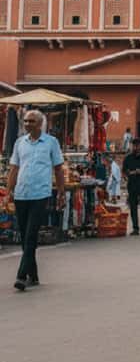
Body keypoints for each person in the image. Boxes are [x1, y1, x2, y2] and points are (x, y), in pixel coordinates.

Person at [7, 110, 65, 291]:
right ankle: (34, 275)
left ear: (40, 124)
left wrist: (61, 192)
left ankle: (21, 276)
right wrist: (8, 192)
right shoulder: (19, 143)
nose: (27, 124)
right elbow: (14, 168)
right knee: (25, 236)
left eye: (31, 121)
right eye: (25, 121)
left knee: (31, 234)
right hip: (21, 193)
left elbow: (58, 169)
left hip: (40, 194)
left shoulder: (51, 142)